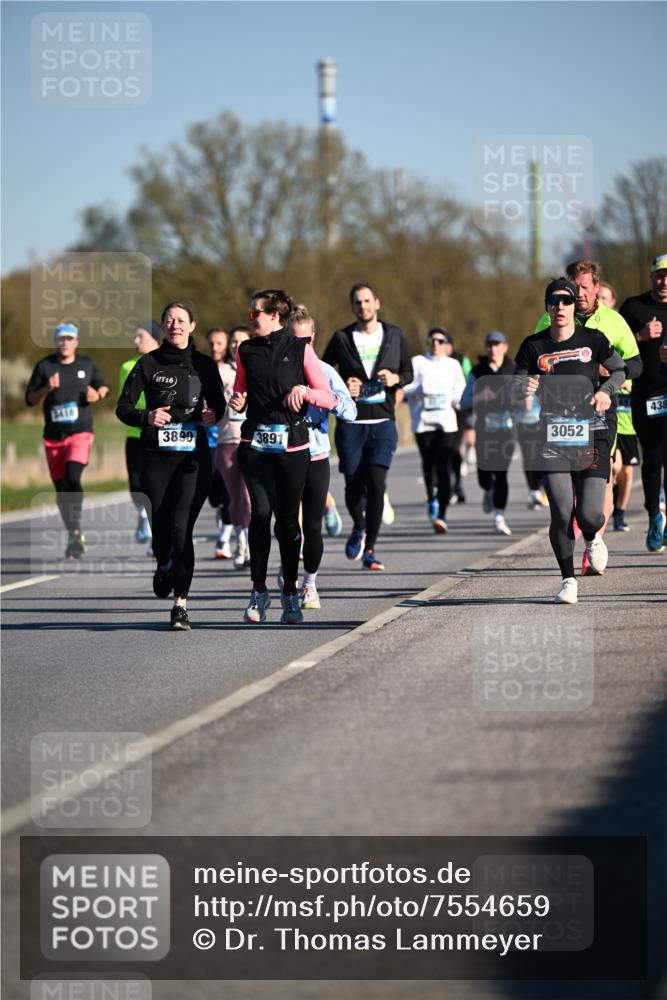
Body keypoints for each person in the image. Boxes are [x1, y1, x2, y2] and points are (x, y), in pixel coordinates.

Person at [515, 278, 627, 604]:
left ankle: (592, 537)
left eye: (566, 301)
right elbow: (517, 383)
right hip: (553, 434)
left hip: (593, 430)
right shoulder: (533, 346)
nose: (560, 307)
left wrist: (606, 391)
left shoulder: (592, 339)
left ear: (574, 305)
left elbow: (620, 369)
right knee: (562, 512)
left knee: (590, 515)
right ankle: (568, 580)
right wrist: (524, 389)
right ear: (547, 306)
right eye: (554, 301)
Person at [116, 301, 225, 631]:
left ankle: (181, 605)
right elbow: (123, 407)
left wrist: (214, 414)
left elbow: (218, 403)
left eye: (181, 320)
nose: (175, 325)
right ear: (163, 327)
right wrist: (146, 416)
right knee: (162, 534)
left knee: (182, 531)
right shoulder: (147, 364)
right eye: (169, 320)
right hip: (157, 459)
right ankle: (163, 563)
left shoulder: (205, 366)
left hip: (194, 460)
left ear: (192, 325)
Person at [228, 289, 335, 625]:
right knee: (260, 513)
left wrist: (304, 391)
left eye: (254, 312)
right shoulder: (245, 351)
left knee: (288, 523)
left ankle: (290, 592)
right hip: (255, 443)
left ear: (274, 314)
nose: (250, 317)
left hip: (293, 447)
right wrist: (238, 402)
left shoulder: (300, 348)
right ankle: (258, 591)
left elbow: (328, 398)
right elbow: (240, 391)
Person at [535, 259, 642, 573]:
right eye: (574, 287)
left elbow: (634, 366)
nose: (578, 294)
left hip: (600, 415)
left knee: (594, 493)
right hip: (560, 417)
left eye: (585, 287)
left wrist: (606, 375)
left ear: (596, 288)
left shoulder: (613, 321)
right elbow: (536, 360)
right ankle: (569, 567)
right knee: (563, 499)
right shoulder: (548, 318)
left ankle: (594, 534)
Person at [322, 282, 413, 571]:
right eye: (357, 302)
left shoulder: (394, 335)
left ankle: (370, 550)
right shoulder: (341, 338)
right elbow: (321, 372)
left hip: (384, 422)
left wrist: (395, 378)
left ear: (377, 303)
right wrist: (342, 384)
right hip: (352, 423)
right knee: (353, 487)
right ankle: (359, 526)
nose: (362, 306)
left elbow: (409, 372)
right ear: (353, 307)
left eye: (366, 301)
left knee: (376, 484)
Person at [281, 305, 357, 609]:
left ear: (314, 339)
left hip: (316, 453)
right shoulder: (278, 369)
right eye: (294, 342)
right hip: (284, 455)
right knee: (287, 525)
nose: (302, 349)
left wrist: (325, 398)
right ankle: (288, 575)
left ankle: (310, 583)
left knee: (312, 526)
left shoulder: (326, 371)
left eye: (306, 342)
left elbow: (350, 411)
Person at [26, 322, 109, 559]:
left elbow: (104, 387)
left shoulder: (87, 364)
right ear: (55, 342)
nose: (65, 343)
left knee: (73, 476)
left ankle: (76, 523)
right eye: (61, 339)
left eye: (69, 339)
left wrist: (98, 394)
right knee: (62, 490)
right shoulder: (45, 366)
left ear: (76, 342)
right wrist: (46, 388)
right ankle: (74, 533)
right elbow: (30, 399)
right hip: (53, 437)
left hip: (80, 432)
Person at [619, 253, 667, 551]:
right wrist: (641, 335)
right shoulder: (633, 307)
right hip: (646, 394)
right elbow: (612, 348)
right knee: (653, 458)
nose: (664, 281)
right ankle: (654, 516)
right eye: (660, 275)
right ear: (651, 277)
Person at [403, 327, 466, 532]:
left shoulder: (453, 365)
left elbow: (460, 389)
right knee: (429, 464)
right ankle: (431, 497)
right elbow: (405, 388)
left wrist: (458, 401)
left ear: (446, 343)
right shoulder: (417, 362)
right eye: (433, 340)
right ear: (428, 342)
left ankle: (442, 515)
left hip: (447, 422)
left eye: (441, 340)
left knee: (444, 467)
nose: (436, 344)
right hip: (423, 421)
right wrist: (418, 389)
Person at [460, 331, 515, 536]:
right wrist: (480, 396)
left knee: (502, 473)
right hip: (484, 429)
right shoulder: (477, 371)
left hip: (507, 430)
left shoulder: (514, 370)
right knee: (484, 475)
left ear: (505, 347)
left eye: (497, 344)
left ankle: (499, 516)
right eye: (489, 345)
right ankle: (488, 490)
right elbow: (463, 402)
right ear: (486, 347)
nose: (493, 349)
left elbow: (526, 398)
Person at [118, 321, 161, 548]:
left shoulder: (164, 363)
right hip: (134, 434)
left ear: (155, 338)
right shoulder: (127, 366)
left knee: (155, 486)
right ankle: (144, 516)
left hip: (158, 436)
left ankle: (156, 535)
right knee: (136, 485)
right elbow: (123, 404)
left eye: (140, 336)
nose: (136, 341)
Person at [215, 325, 252, 569]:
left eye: (241, 341)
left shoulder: (257, 368)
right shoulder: (220, 371)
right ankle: (240, 542)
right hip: (227, 439)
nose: (236, 345)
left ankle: (248, 545)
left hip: (251, 440)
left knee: (249, 498)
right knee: (235, 497)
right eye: (233, 341)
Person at [206, 326, 234, 559]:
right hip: (206, 441)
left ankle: (224, 540)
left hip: (227, 439)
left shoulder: (234, 371)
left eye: (220, 344)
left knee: (228, 494)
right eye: (212, 344)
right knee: (214, 497)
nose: (215, 348)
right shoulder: (203, 369)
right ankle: (224, 517)